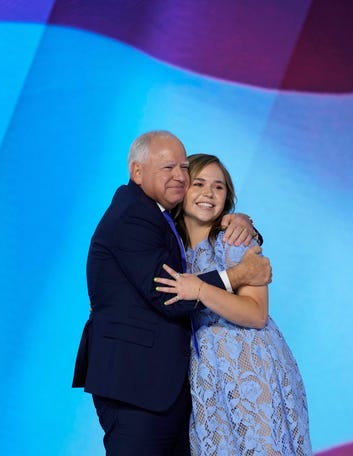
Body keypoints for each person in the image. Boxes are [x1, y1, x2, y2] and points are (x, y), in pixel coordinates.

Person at [72, 131, 272, 455]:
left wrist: (243, 221)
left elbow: (208, 223)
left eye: (183, 168)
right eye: (168, 168)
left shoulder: (159, 217)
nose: (180, 176)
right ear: (137, 172)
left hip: (166, 388)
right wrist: (239, 275)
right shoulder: (135, 216)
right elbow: (169, 296)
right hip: (137, 385)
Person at [155, 154, 313, 455]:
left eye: (219, 187)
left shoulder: (235, 240)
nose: (208, 194)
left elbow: (256, 314)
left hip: (251, 366)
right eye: (198, 183)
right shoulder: (170, 247)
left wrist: (200, 289)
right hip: (208, 374)